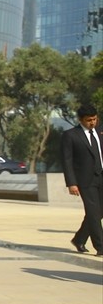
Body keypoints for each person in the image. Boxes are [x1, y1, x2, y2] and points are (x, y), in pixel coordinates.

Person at [62, 103, 103, 255]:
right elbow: (67, 160)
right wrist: (71, 183)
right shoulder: (71, 135)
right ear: (80, 120)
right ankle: (100, 247)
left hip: (102, 176)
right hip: (85, 180)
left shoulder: (100, 131)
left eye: (94, 119)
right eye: (88, 120)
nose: (92, 122)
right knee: (93, 212)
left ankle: (79, 239)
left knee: (99, 212)